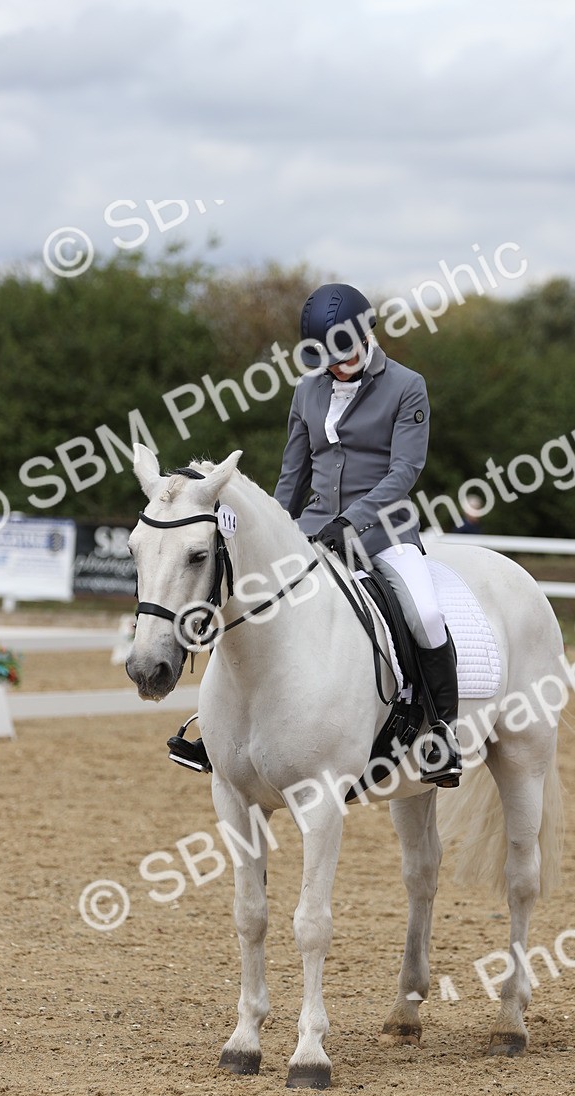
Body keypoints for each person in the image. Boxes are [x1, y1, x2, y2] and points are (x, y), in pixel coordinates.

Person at [167, 282, 461, 788]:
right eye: (325, 354)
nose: (335, 363)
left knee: (427, 614)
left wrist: (353, 522)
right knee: (246, 604)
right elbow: (292, 475)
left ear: (366, 335)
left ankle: (440, 733)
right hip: (312, 533)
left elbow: (403, 472)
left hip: (383, 532)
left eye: (343, 351)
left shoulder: (407, 386)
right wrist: (273, 529)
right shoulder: (307, 391)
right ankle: (219, 733)